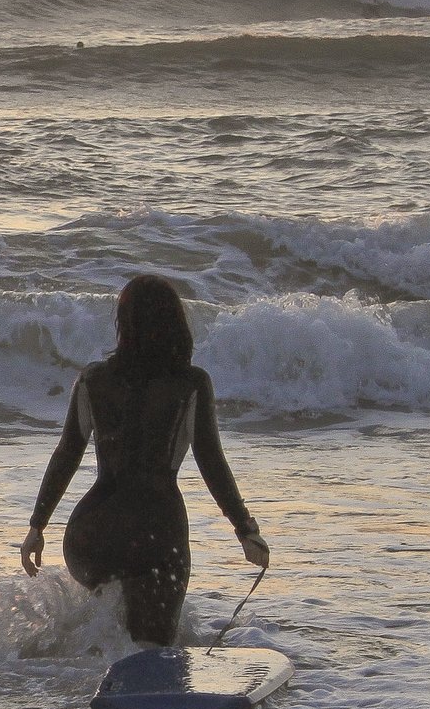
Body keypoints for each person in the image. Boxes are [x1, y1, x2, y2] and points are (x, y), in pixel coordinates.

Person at [21, 275, 269, 647]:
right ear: (176, 324)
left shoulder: (93, 379)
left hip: (91, 535)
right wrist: (245, 529)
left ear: (123, 324)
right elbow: (210, 461)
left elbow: (67, 453)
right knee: (153, 650)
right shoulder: (191, 384)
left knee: (110, 636)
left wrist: (36, 527)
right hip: (154, 532)